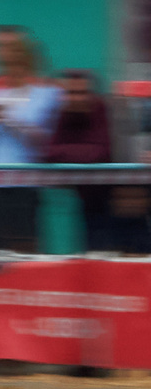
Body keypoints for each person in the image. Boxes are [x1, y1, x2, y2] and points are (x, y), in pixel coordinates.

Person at [0, 25, 60, 251]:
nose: (3, 56)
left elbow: (45, 140)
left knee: (24, 246)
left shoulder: (46, 91)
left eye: (12, 51)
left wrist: (7, 119)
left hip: (23, 180)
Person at [46, 68, 117, 252]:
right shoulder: (62, 112)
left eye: (82, 93)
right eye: (70, 93)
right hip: (75, 194)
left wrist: (68, 153)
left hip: (109, 196)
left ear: (92, 95)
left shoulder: (101, 109)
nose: (76, 98)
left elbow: (102, 152)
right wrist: (84, 151)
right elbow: (48, 152)